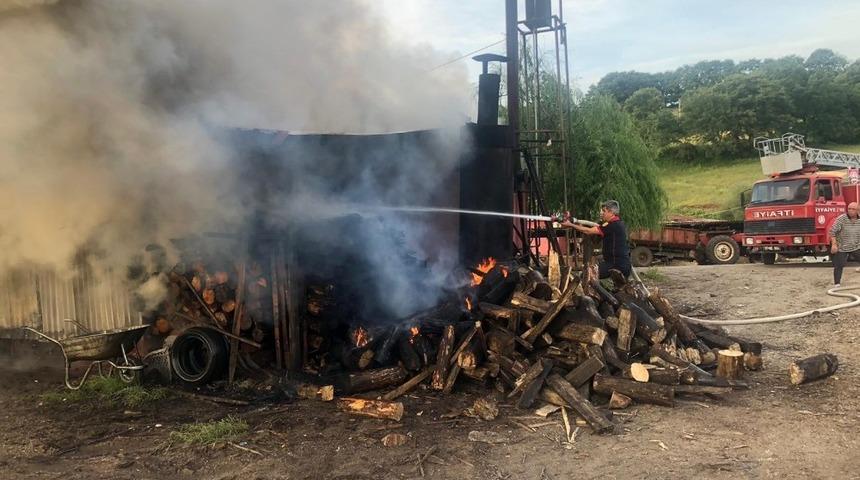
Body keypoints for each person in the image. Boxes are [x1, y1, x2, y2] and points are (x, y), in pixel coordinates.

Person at [561, 200, 632, 280]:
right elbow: (591, 228)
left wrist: (570, 225)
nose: (601, 213)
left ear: (611, 212)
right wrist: (573, 222)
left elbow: (588, 231)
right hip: (620, 264)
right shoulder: (616, 223)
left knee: (586, 275)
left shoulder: (613, 225)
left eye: (604, 211)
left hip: (616, 265)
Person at [830, 201, 860, 286]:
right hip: (842, 247)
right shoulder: (841, 219)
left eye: (853, 209)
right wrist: (834, 245)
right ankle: (837, 284)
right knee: (839, 265)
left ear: (858, 210)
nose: (850, 211)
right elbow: (832, 232)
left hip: (856, 246)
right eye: (849, 209)